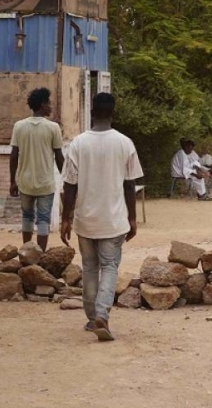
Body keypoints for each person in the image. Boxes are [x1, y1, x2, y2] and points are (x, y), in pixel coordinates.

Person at [60, 93, 143, 341]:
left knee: (89, 268)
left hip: (85, 220)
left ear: (92, 113)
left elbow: (70, 186)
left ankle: (91, 318)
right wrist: (132, 218)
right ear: (113, 114)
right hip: (113, 220)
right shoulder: (125, 143)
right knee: (109, 267)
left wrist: (66, 218)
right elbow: (130, 185)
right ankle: (102, 315)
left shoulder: (77, 144)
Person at [9, 88, 63, 251]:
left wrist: (13, 181)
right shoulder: (53, 128)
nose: (50, 106)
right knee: (43, 220)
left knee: (27, 217)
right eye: (49, 103)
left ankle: (26, 252)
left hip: (24, 182)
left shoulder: (19, 126)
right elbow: (59, 157)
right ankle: (40, 257)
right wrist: (67, 179)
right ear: (42, 104)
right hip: (45, 184)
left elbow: (14, 156)